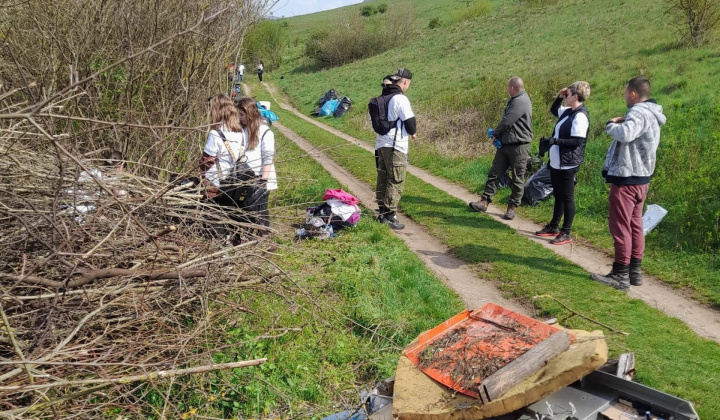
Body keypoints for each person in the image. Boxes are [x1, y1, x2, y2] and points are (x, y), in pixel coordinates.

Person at [590, 77, 666, 291]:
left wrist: (611, 124)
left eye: (625, 93)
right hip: (642, 179)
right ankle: (634, 272)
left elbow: (626, 134)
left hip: (627, 177)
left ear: (633, 94)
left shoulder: (638, 112)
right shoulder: (651, 113)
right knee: (635, 226)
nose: (624, 97)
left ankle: (620, 274)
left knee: (620, 226)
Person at [469, 76, 533, 220]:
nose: (506, 89)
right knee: (495, 172)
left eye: (507, 87)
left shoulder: (521, 101)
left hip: (519, 146)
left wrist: (496, 132)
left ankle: (512, 207)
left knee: (517, 177)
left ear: (512, 88)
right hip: (506, 144)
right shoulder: (516, 99)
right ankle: (484, 201)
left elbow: (508, 121)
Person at [535, 81, 591, 245]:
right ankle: (553, 227)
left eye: (567, 94)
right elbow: (554, 110)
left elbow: (576, 142)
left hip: (568, 163)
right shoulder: (568, 112)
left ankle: (566, 232)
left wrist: (554, 141)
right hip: (557, 162)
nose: (566, 95)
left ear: (575, 96)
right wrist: (559, 98)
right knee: (558, 194)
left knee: (567, 197)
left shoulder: (580, 116)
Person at [375, 68, 417, 230]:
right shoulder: (400, 99)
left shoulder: (384, 97)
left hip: (381, 144)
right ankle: (389, 215)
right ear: (405, 82)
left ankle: (382, 209)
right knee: (396, 179)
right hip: (396, 145)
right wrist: (413, 132)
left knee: (384, 177)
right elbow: (410, 121)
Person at [199, 94, 245, 241]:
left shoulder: (215, 133)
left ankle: (218, 242)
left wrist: (203, 177)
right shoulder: (241, 133)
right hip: (234, 180)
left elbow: (206, 161)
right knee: (230, 212)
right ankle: (233, 240)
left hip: (215, 181)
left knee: (213, 215)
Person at [235, 96, 277, 234]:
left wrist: (263, 181)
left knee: (260, 209)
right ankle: (250, 234)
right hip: (246, 175)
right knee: (248, 208)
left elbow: (267, 158)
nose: (239, 118)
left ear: (250, 113)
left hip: (260, 176)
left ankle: (264, 236)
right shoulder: (244, 130)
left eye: (241, 115)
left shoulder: (265, 132)